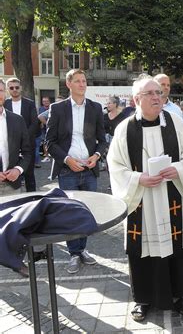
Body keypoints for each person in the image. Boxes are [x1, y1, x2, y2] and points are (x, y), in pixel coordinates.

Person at [107, 75, 183, 321]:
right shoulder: (125, 129)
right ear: (137, 99)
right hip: (141, 201)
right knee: (141, 251)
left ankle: (179, 295)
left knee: (174, 248)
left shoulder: (176, 123)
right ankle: (142, 299)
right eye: (151, 94)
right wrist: (138, 179)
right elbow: (115, 167)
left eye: (159, 92)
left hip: (170, 197)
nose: (157, 97)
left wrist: (178, 170)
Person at [45, 69, 107, 274]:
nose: (82, 84)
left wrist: (96, 156)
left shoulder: (96, 108)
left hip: (89, 169)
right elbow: (50, 142)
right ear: (68, 84)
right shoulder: (58, 108)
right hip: (67, 169)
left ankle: (82, 250)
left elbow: (101, 139)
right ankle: (74, 253)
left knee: (86, 211)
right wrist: (67, 159)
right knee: (71, 212)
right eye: (78, 81)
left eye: (84, 81)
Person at [4, 78, 39, 191]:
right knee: (9, 174)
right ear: (7, 89)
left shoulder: (30, 103)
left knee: (29, 175)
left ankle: (32, 199)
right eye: (11, 88)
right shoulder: (4, 103)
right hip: (9, 147)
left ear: (21, 88)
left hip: (27, 145)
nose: (14, 90)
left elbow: (34, 123)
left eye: (17, 87)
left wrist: (22, 139)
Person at [0, 78, 32, 196]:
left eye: (1, 90)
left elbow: (27, 152)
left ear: (5, 93)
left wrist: (18, 169)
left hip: (12, 187)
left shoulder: (17, 120)